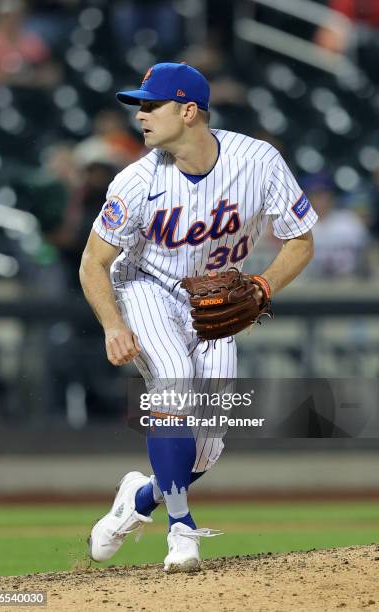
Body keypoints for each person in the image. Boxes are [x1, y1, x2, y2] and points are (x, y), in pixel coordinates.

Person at [79, 62, 317, 573]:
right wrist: (113, 324)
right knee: (173, 383)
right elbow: (93, 262)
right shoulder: (136, 180)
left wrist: (262, 284)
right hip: (146, 286)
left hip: (213, 300)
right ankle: (181, 530)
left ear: (189, 111)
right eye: (139, 106)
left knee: (205, 450)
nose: (140, 116)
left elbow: (300, 239)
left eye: (150, 105)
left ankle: (139, 499)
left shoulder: (258, 161)